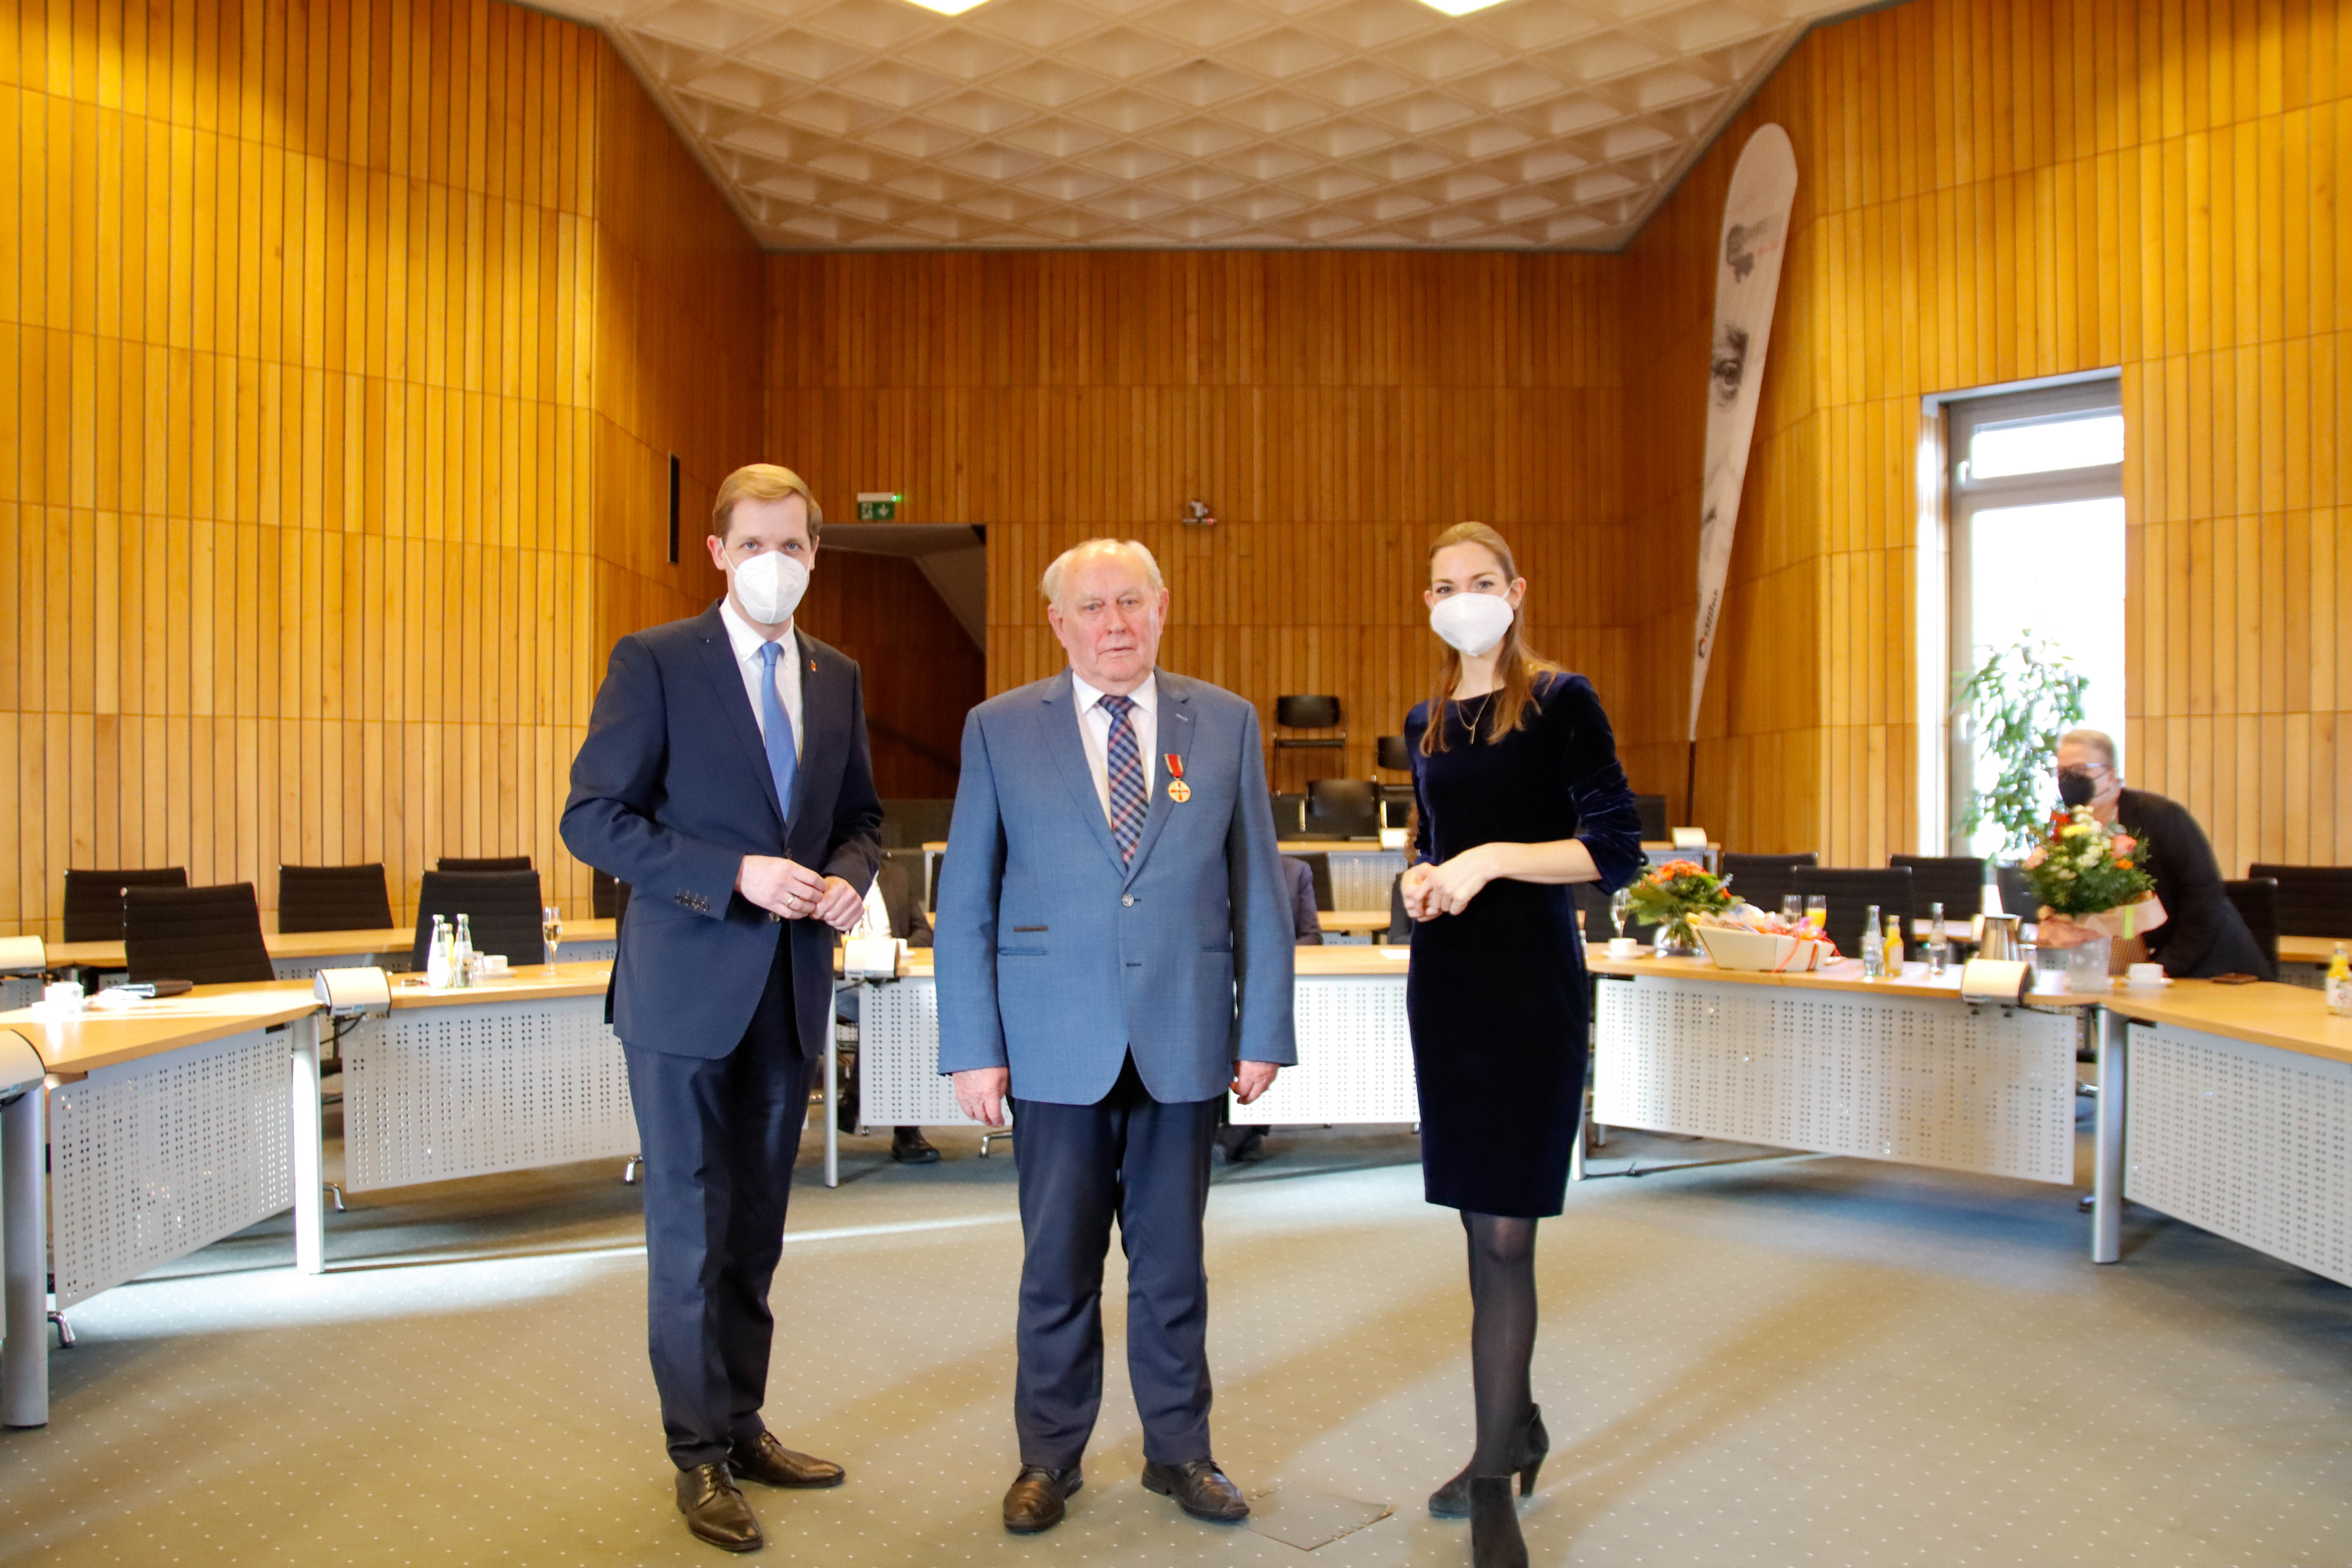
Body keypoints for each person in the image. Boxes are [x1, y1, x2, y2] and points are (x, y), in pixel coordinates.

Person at [933, 538, 1296, 1536]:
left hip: (1184, 1039)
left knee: (1174, 1266)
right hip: (1052, 1044)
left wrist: (1261, 1026)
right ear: (1059, 622)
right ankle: (1048, 1457)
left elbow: (1257, 886)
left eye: (1130, 602)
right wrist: (972, 1044)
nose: (1114, 623)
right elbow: (964, 897)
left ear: (1162, 606)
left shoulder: (1222, 722)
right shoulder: (1000, 728)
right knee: (1056, 1266)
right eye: (1091, 607)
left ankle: (1180, 1451)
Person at [562, 464, 882, 1554]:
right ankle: (696, 1456)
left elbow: (864, 816)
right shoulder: (654, 662)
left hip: (789, 992)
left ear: (815, 556)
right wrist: (730, 873)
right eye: (754, 545)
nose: (775, 565)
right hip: (683, 996)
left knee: (755, 1234)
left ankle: (743, 1424)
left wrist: (850, 874)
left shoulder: (836, 675)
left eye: (793, 546)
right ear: (716, 553)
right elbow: (592, 821)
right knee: (690, 1232)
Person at [1397, 522, 1644, 1568]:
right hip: (1447, 986)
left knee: (1507, 1236)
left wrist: (1491, 857)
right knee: (1475, 1226)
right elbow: (1428, 842)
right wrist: (1421, 876)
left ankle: (1494, 1473)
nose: (1465, 599)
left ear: (1516, 590)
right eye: (1447, 585)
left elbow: (1614, 849)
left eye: (1482, 581)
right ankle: (1517, 1425)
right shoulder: (1424, 720)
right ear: (1428, 603)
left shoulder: (1561, 701)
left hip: (1532, 987)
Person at [2042, 729, 2271, 979]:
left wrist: (2165, 968)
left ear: (2110, 776)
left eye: (2080, 771)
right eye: (2063, 773)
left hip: (2215, 968)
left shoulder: (2161, 816)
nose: (2070, 781)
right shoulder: (2068, 830)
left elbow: (2204, 897)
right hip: (2135, 970)